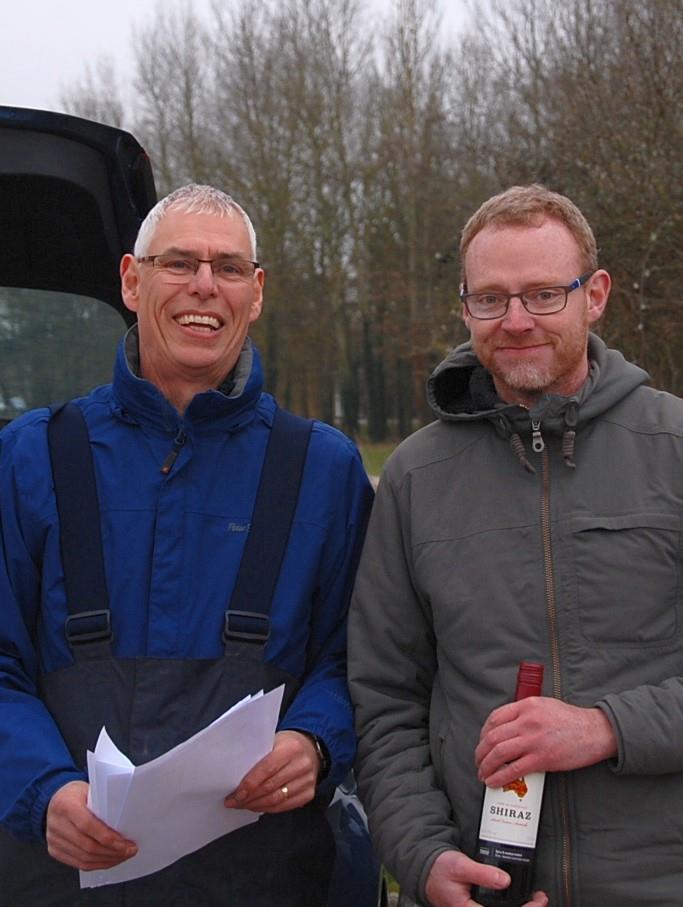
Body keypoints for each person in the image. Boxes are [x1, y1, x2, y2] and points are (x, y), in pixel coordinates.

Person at [0, 183, 373, 905]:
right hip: (56, 882)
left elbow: (361, 659)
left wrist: (315, 741)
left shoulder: (322, 470)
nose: (205, 285)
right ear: (131, 282)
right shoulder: (29, 458)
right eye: (179, 263)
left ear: (255, 292)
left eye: (229, 268)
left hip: (265, 880)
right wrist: (44, 790)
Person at [348, 183, 683, 907]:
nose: (516, 320)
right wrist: (425, 857)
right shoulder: (414, 476)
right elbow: (383, 700)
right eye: (490, 298)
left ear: (593, 295)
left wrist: (605, 727)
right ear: (464, 306)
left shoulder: (674, 447)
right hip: (486, 889)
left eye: (541, 294)